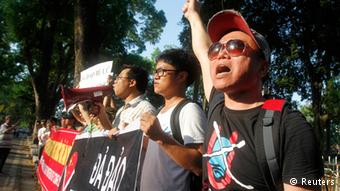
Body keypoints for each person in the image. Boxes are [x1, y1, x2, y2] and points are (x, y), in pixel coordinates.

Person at [183, 1, 323, 190]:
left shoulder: (289, 126)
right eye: (216, 48)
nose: (221, 53)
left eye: (235, 46)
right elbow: (201, 50)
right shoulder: (217, 102)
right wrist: (192, 14)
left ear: (263, 67)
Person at [139, 49, 207, 191]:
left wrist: (160, 137)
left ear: (181, 76)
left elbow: (200, 165)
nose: (155, 77)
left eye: (162, 71)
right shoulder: (158, 113)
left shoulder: (189, 110)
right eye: (155, 72)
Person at [106, 64, 156, 135]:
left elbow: (145, 142)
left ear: (132, 83)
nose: (115, 81)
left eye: (119, 78)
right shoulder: (120, 110)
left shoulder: (146, 110)